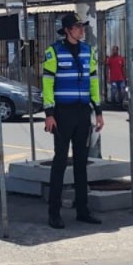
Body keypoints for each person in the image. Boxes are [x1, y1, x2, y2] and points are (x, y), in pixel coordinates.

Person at [42, 12, 104, 229]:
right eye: (78, 27)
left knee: (81, 163)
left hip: (82, 112)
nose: (82, 30)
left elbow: (94, 82)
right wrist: (49, 113)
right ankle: (54, 212)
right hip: (62, 113)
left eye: (82, 26)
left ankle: (83, 210)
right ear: (68, 30)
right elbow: (47, 84)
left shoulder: (88, 51)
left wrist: (98, 110)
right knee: (59, 162)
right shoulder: (54, 52)